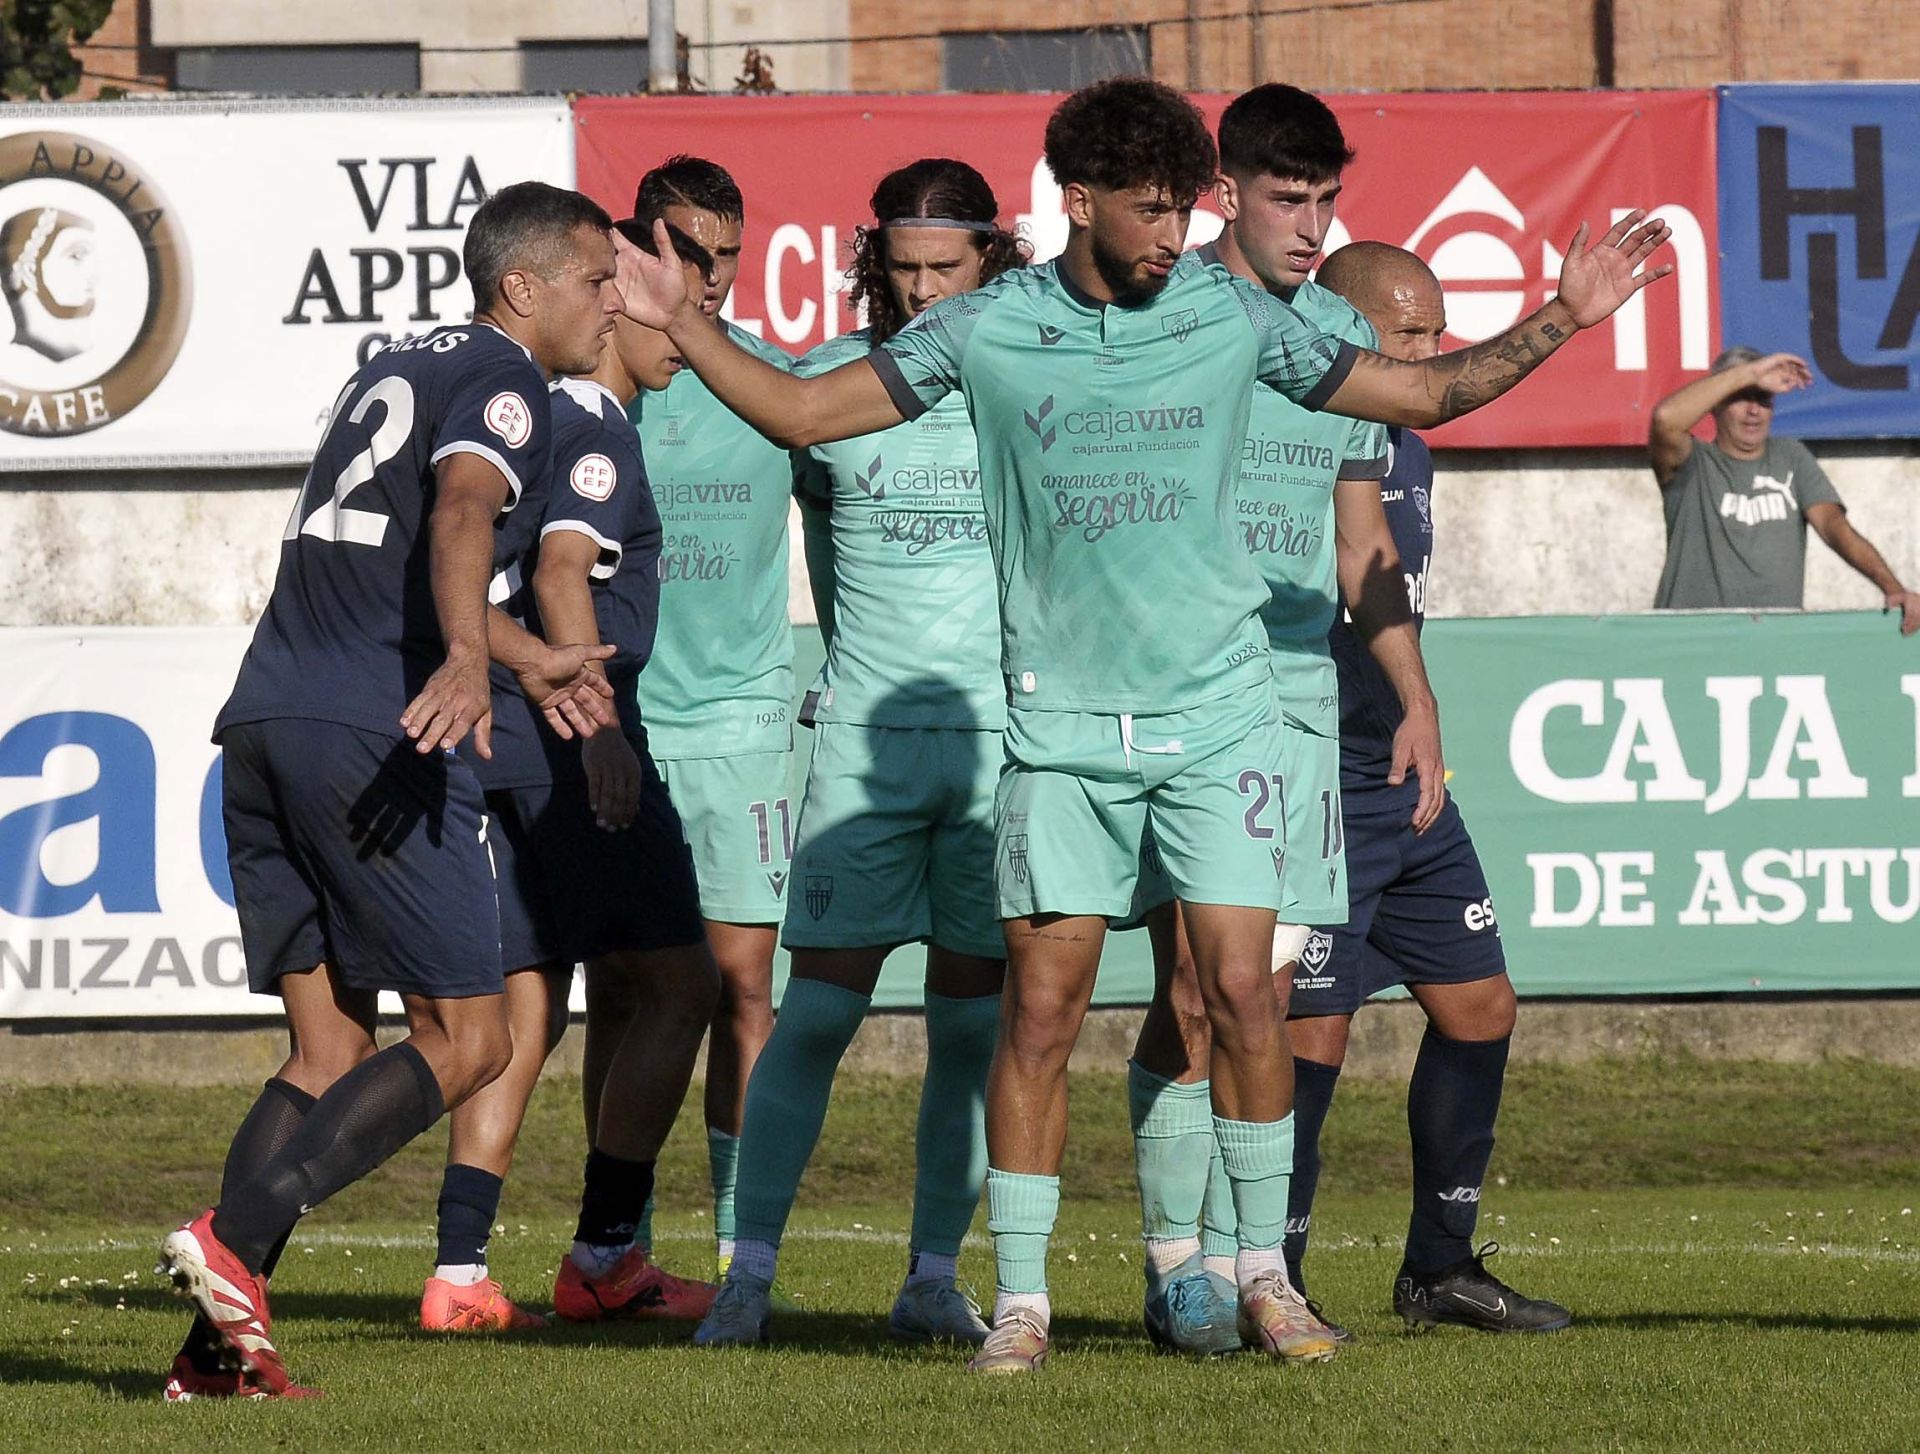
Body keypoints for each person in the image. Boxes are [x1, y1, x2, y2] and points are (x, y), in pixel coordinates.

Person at [611, 76, 1671, 1376]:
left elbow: (1420, 395)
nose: (1177, 232)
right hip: (1055, 736)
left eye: (1188, 206)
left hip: (1220, 725)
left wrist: (1563, 315)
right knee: (1039, 1017)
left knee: (1239, 991)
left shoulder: (1231, 316)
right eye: (1153, 209)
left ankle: (1262, 1277)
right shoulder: (991, 328)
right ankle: (1023, 1302)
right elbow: (804, 411)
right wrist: (692, 323)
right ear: (1081, 201)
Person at [158, 181, 623, 1400]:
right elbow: (463, 512)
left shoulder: (395, 364)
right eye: (596, 278)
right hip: (376, 732)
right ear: (523, 286)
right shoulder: (508, 378)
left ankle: (216, 1353)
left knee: (325, 1047)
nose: (611, 302)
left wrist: (522, 655)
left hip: (265, 718)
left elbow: (400, 562)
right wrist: (476, 660)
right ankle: (228, 1234)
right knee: (472, 1035)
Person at [1121, 83, 1444, 1358]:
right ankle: (1188, 1262)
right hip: (1178, 691)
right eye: (1287, 197)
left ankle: (1247, 1265)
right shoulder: (1156, 316)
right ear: (1224, 193)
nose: (1312, 225)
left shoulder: (1337, 341)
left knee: (1256, 985)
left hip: (1303, 701)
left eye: (1327, 200)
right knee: (1199, 983)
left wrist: (1414, 696)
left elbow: (1363, 540)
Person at [694, 159, 1026, 1349]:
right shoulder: (822, 391)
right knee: (815, 1015)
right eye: (906, 267)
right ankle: (748, 1272)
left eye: (950, 266)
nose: (928, 291)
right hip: (862, 753)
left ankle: (933, 1274)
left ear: (995, 254)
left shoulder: (1025, 377)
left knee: (973, 1031)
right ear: (869, 259)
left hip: (1000, 751)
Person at [421, 220, 723, 1333]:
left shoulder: (538, 416)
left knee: (533, 999)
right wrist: (595, 724)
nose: (685, 335)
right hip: (568, 727)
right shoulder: (593, 420)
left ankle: (459, 1267)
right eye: (650, 304)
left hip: (506, 734)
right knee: (683, 984)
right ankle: (606, 1252)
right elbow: (559, 570)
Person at [1286, 240, 1572, 1335]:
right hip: (1320, 776)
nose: (1429, 350)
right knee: (1315, 1032)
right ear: (1342, 327)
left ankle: (1438, 1267)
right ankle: (1277, 1274)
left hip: (1405, 776)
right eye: (1409, 332)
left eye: (1434, 328)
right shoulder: (1305, 429)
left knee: (1480, 1004)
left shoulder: (1405, 439)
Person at [580, 157, 804, 1285]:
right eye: (689, 249)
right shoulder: (605, 377)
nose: (709, 275)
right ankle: (620, 1237)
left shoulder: (776, 386)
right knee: (621, 987)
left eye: (729, 251)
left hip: (747, 727)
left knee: (740, 983)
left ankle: (737, 1236)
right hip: (621, 725)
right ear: (639, 244)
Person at [1650, 347, 1918, 631]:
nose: (1754, 411)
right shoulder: (1693, 463)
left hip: (1773, 644)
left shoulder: (1791, 457)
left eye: (1763, 399)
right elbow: (1665, 419)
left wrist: (1892, 586)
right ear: (1715, 405)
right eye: (1741, 398)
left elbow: (1833, 526)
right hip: (1690, 641)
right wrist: (1750, 374)